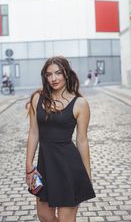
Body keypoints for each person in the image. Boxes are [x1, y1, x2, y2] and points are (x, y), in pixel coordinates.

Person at [25, 56, 95, 222]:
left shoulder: (80, 103)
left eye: (58, 73)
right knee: (44, 216)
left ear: (66, 74)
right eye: (49, 74)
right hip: (45, 166)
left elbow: (82, 140)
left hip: (68, 167)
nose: (54, 78)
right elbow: (34, 132)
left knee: (65, 219)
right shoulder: (37, 98)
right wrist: (29, 165)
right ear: (45, 77)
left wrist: (87, 174)